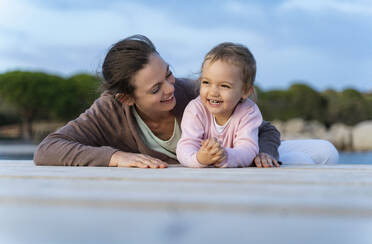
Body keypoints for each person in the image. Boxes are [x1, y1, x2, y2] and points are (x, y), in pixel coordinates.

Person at [33, 34, 337, 168]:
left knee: (326, 152)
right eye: (156, 89)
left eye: (168, 74)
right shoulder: (109, 111)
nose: (170, 87)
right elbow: (48, 149)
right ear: (127, 98)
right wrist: (115, 157)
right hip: (198, 178)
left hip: (240, 156)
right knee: (315, 159)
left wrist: (264, 155)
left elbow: (266, 130)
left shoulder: (197, 91)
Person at [176, 42, 263, 168]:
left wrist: (225, 155)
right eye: (206, 82)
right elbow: (185, 146)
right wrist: (199, 158)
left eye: (224, 86)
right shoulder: (195, 109)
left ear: (244, 91)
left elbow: (248, 149)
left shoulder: (248, 112)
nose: (213, 92)